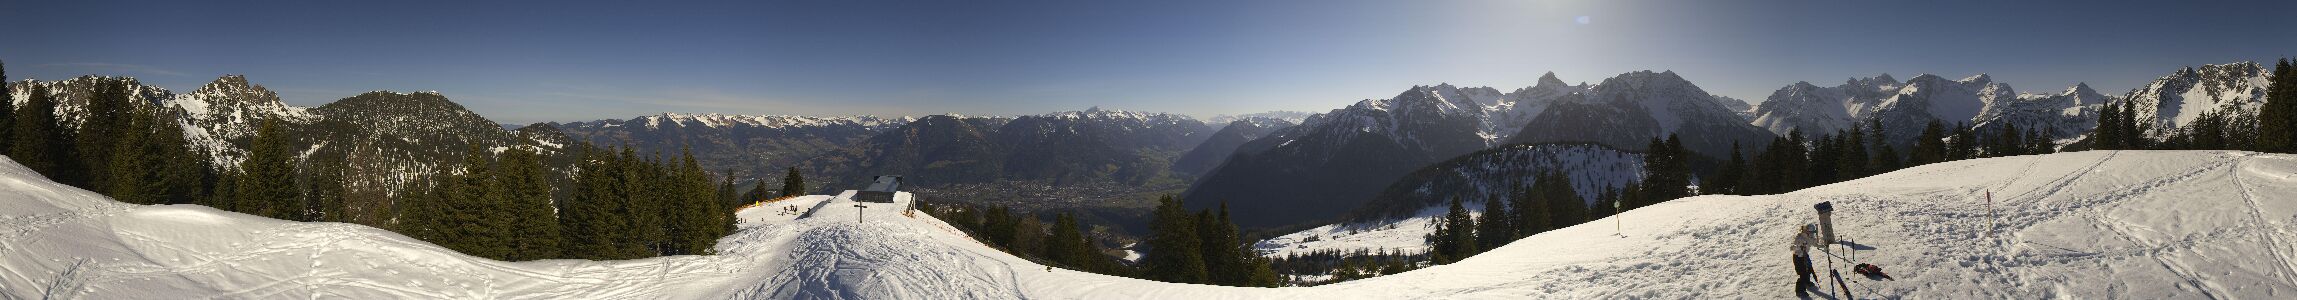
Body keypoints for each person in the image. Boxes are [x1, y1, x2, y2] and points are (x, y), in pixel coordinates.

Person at [1792, 224, 1819, 297]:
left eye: (1812, 233)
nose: (1812, 234)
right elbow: (1792, 247)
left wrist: (1821, 243)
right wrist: (1798, 247)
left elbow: (1814, 243)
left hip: (1805, 256)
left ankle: (1807, 282)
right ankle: (1799, 290)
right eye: (1810, 232)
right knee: (1803, 273)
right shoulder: (1799, 237)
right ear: (1806, 231)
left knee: (1808, 269)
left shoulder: (1810, 237)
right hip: (1798, 257)